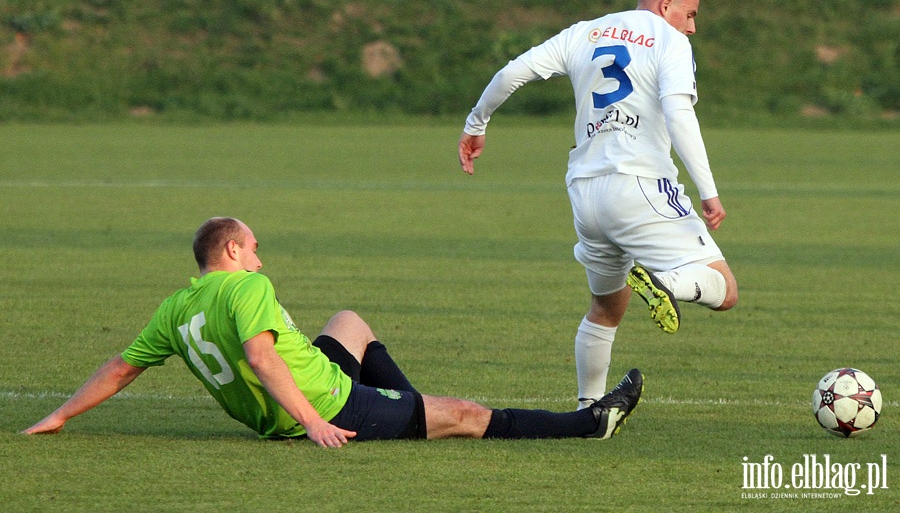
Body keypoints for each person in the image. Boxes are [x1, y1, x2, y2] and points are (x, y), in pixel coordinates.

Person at [22, 217, 643, 447]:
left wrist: (61, 415)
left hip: (296, 395)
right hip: (321, 404)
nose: (262, 261)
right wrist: (315, 422)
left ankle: (410, 413)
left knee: (348, 322)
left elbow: (121, 367)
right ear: (233, 249)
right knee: (469, 414)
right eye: (255, 249)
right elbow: (263, 359)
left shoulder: (174, 308)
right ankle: (590, 423)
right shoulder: (247, 287)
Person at [457, 0, 738, 409]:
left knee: (606, 308)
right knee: (725, 289)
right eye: (690, 13)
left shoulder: (583, 33)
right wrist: (709, 190)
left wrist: (476, 123)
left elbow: (514, 72)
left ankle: (588, 409)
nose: (692, 26)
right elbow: (678, 111)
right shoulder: (671, 42)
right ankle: (665, 281)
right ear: (666, 6)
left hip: (585, 191)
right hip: (639, 184)